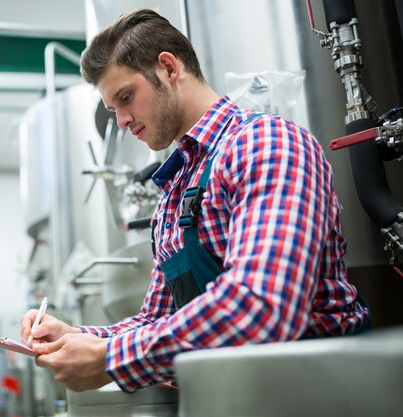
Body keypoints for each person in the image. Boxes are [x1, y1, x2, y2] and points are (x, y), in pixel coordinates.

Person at [20, 8, 370, 393]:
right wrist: (76, 336)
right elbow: (157, 320)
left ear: (169, 68)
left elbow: (262, 307)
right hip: (239, 396)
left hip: (320, 394)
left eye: (126, 97)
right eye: (112, 109)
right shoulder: (175, 192)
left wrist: (109, 357)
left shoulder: (265, 144)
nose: (120, 120)